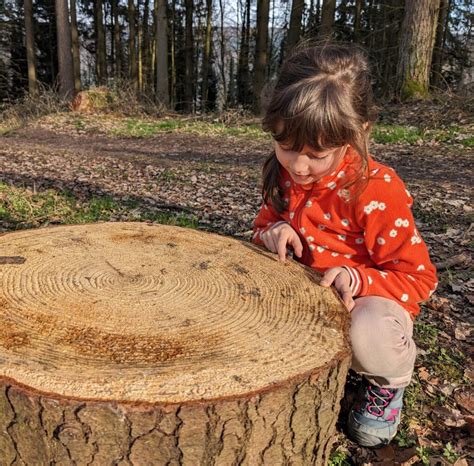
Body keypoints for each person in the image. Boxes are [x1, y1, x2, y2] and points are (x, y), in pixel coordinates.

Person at [252, 43, 437, 448]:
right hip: (306, 294)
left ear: (358, 133)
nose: (298, 167)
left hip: (367, 302)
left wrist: (356, 278)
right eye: (286, 148)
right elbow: (262, 226)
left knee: (367, 331)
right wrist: (273, 232)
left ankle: (387, 380)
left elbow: (419, 279)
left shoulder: (375, 190)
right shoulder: (283, 175)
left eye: (316, 155)